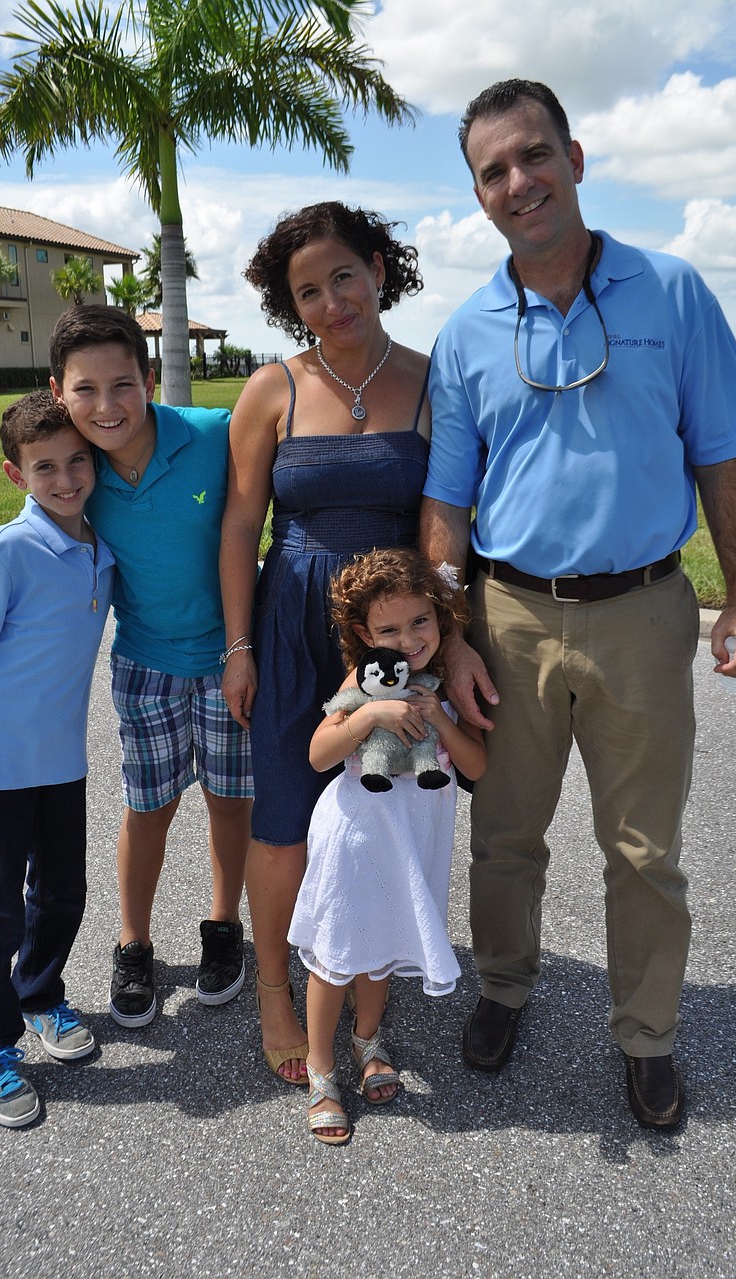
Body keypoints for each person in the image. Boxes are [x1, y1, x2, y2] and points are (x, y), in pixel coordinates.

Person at [420, 78, 736, 1129]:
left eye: (532, 156)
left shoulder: (671, 292)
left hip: (644, 609)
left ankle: (647, 1035)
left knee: (643, 849)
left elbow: (721, 455)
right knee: (505, 832)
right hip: (507, 615)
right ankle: (503, 987)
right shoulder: (469, 329)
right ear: (478, 196)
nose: (517, 182)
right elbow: (444, 497)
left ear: (575, 157)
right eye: (492, 171)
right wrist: (447, 637)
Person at [220, 202, 430, 1086]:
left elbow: (442, 517)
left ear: (379, 268)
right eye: (307, 291)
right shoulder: (274, 387)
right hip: (291, 619)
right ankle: (276, 986)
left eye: (343, 275)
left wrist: (442, 638)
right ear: (289, 305)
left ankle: (367, 991)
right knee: (283, 821)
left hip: (390, 634)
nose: (331, 300)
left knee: (378, 810)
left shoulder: (430, 380)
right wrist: (238, 645)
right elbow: (239, 524)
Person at [49, 306, 253, 1028]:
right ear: (59, 393)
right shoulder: (74, 469)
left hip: (231, 658)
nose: (106, 407)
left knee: (231, 800)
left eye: (122, 384)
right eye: (85, 390)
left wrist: (242, 650)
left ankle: (224, 924)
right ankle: (132, 939)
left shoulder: (212, 434)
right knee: (148, 807)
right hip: (144, 665)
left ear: (148, 377)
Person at [0, 390, 116, 1127]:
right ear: (18, 475)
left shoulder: (99, 546)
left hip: (62, 765)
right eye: (46, 467)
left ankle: (39, 994)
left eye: (78, 461)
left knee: (62, 893)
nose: (67, 479)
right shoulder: (10, 547)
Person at [288, 547, 487, 1144]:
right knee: (336, 956)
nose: (407, 640)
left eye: (420, 621)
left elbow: (475, 764)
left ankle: (367, 1043)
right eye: (389, 629)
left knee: (382, 946)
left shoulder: (446, 683)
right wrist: (371, 716)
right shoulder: (364, 681)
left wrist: (441, 718)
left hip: (412, 842)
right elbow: (319, 754)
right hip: (355, 836)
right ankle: (322, 1071)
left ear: (442, 617)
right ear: (363, 634)